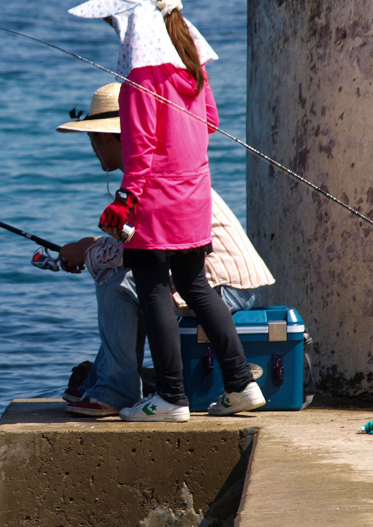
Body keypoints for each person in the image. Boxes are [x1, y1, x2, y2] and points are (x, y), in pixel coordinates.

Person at [68, 0, 266, 422]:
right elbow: (211, 121)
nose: (113, 29)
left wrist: (125, 199)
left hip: (155, 200)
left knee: (154, 289)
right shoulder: (191, 66)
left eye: (114, 21)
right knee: (196, 287)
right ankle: (241, 384)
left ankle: (172, 398)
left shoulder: (140, 78)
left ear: (131, 21)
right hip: (193, 195)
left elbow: (141, 149)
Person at [55, 82, 275, 418]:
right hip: (232, 280)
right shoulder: (169, 168)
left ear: (109, 137)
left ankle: (116, 392)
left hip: (225, 285)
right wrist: (92, 247)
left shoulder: (146, 181)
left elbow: (136, 253)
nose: (93, 147)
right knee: (131, 278)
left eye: (93, 138)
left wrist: (85, 252)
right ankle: (104, 381)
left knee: (117, 283)